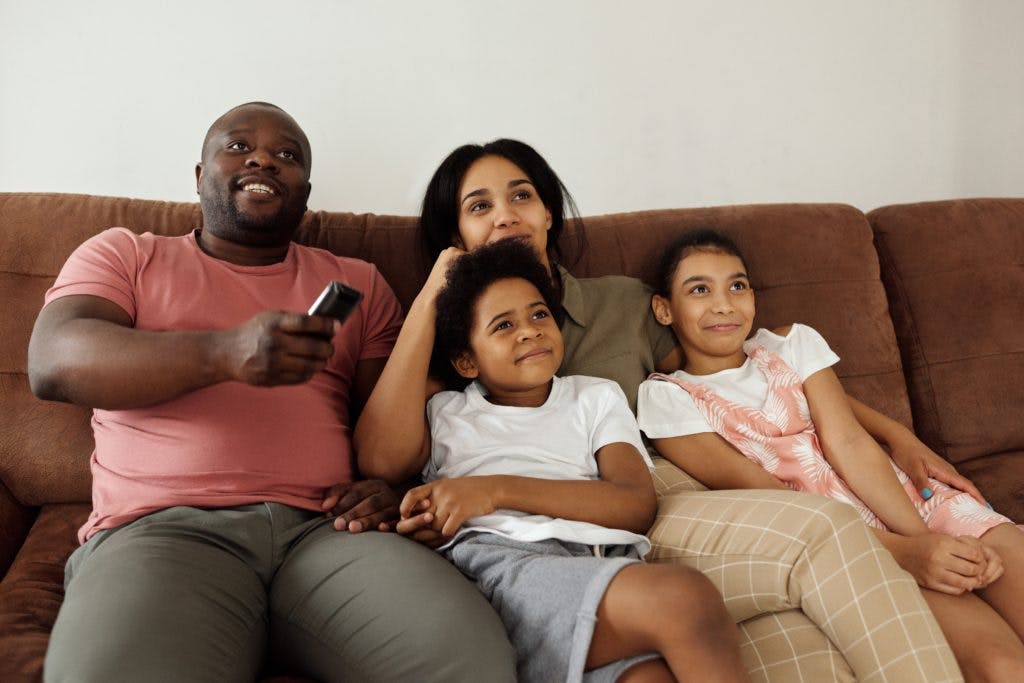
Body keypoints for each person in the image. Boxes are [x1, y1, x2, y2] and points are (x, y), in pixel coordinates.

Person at [355, 138, 964, 681]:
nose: (506, 213)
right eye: (479, 206)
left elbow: (742, 358)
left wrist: (891, 432)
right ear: (455, 235)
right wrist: (438, 289)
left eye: (521, 195)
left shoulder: (623, 303)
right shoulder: (453, 351)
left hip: (659, 485)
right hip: (554, 538)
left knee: (812, 588)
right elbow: (384, 457)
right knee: (797, 619)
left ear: (548, 212)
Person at [28, 102, 515, 683]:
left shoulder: (355, 282)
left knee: (469, 662)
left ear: (304, 195)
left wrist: (392, 488)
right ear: (198, 176)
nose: (263, 158)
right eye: (237, 146)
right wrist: (224, 353)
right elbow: (54, 360)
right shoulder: (127, 254)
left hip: (330, 533)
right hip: (163, 532)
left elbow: (389, 427)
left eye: (287, 156)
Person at [637, 228, 1024, 681]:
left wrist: (928, 540)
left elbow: (850, 443)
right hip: (854, 550)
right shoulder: (668, 399)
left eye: (737, 286)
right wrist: (908, 554)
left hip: (913, 505)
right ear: (664, 308)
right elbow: (772, 501)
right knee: (1004, 667)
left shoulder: (790, 344)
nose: (724, 304)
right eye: (699, 289)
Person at [394, 238, 748, 682]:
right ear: (466, 360)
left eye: (539, 314)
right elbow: (382, 463)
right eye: (503, 326)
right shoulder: (445, 410)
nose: (529, 330)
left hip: (602, 559)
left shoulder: (595, 396)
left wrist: (494, 490)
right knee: (684, 599)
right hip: (505, 566)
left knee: (649, 678)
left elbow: (636, 505)